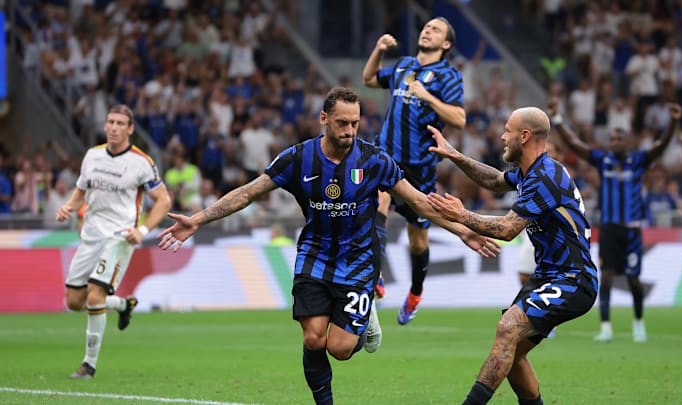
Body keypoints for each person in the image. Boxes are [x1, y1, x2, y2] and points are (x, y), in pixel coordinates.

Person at [157, 87, 499, 405]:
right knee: (312, 339)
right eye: (342, 123)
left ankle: (365, 316)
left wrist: (462, 230)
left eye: (354, 123)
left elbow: (420, 202)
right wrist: (198, 219)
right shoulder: (297, 159)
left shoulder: (374, 160)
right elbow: (248, 193)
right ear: (324, 119)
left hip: (360, 261)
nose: (349, 130)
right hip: (315, 256)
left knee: (339, 348)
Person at [425, 107, 599, 405]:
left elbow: (507, 229)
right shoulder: (532, 172)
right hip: (548, 275)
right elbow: (494, 181)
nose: (502, 137)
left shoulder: (546, 177)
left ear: (525, 135)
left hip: (573, 278)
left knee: (508, 328)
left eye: (507, 130)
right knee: (510, 356)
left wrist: (461, 215)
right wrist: (457, 157)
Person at [548, 99, 682, 343]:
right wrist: (557, 119)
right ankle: (606, 327)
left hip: (631, 231)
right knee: (606, 276)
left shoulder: (638, 160)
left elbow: (660, 146)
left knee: (633, 280)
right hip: (609, 229)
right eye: (612, 140)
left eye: (619, 139)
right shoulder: (603, 160)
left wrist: (673, 122)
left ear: (628, 142)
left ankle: (639, 324)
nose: (614, 143)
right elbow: (575, 144)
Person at [362, 17, 466, 325]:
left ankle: (415, 293)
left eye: (436, 29)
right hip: (385, 156)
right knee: (378, 201)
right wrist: (379, 50)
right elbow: (368, 80)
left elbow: (459, 119)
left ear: (446, 44)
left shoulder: (448, 76)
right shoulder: (404, 64)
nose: (428, 30)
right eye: (427, 26)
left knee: (418, 240)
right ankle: (374, 273)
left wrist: (428, 97)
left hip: (419, 168)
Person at [56, 104, 171, 379]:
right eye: (110, 122)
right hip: (91, 235)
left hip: (120, 237)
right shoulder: (92, 156)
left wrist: (142, 231)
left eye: (120, 123)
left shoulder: (142, 162)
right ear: (105, 125)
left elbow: (164, 201)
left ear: (130, 129)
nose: (114, 127)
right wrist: (69, 206)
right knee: (73, 301)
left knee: (95, 294)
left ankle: (89, 365)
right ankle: (123, 304)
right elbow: (81, 190)